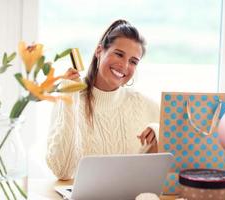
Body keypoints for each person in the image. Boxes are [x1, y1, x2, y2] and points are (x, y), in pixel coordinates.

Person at [46, 19, 159, 180]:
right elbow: (63, 171)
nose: (124, 65)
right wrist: (70, 98)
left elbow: (181, 141)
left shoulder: (142, 103)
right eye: (119, 54)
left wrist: (158, 131)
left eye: (133, 61)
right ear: (99, 51)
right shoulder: (69, 98)